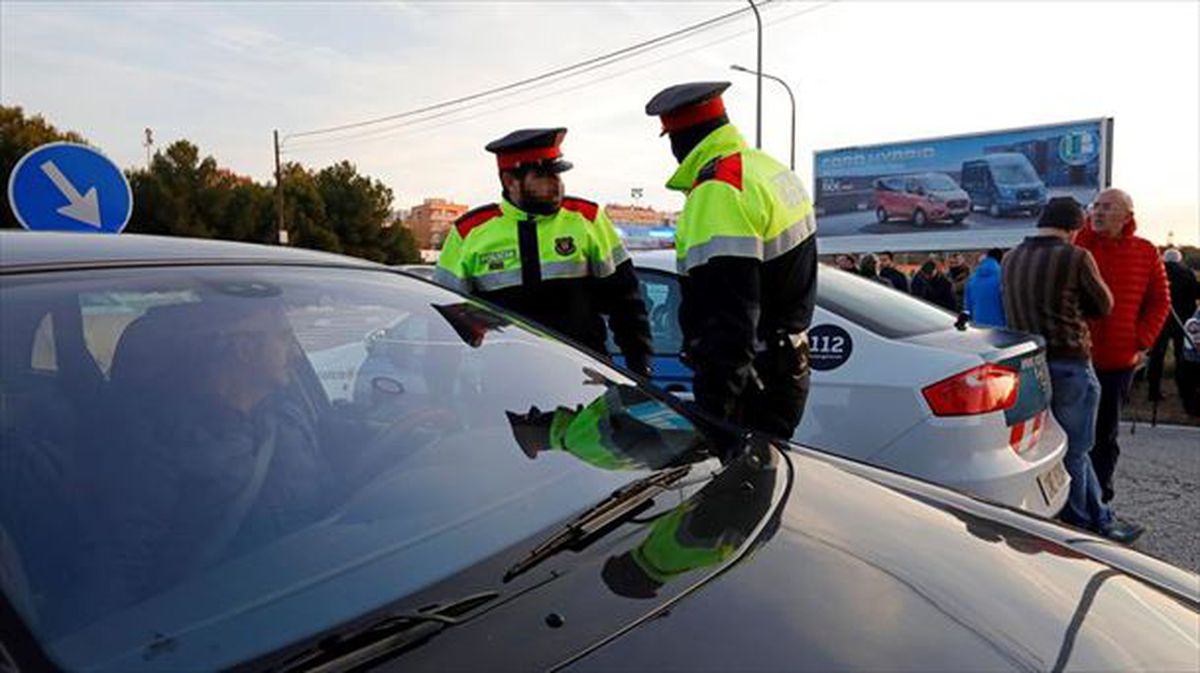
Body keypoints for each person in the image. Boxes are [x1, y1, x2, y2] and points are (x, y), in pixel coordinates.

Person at [643, 81, 817, 440]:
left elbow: (729, 318)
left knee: (737, 490)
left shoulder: (719, 189)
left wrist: (714, 416)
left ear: (678, 139)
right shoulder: (768, 171)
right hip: (786, 368)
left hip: (750, 384)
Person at [435, 128, 653, 376]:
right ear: (509, 181)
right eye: (543, 176)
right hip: (505, 379)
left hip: (584, 377)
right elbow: (447, 319)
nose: (556, 185)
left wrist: (639, 363)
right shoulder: (469, 233)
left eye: (557, 175)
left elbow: (624, 300)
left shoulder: (587, 219)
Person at [1001, 197, 1141, 543]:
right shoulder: (1076, 256)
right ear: (1074, 228)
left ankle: (1099, 517)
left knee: (1045, 448)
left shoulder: (1011, 257)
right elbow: (1103, 305)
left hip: (1030, 365)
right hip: (1070, 364)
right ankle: (1080, 524)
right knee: (1076, 451)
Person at [1075, 188, 1170, 503]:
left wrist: (1141, 341)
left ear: (1127, 216)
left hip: (1118, 361)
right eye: (1096, 206)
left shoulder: (1145, 251)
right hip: (1075, 357)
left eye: (1108, 207)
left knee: (1105, 434)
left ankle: (1100, 499)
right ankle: (1069, 498)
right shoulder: (1077, 245)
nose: (1098, 213)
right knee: (1070, 433)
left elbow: (1160, 302)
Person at [1147, 248, 1199, 406]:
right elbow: (1196, 294)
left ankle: (1153, 392)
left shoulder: (1156, 273)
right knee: (1181, 357)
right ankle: (1183, 392)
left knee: (1156, 357)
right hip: (1181, 322)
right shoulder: (1187, 274)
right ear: (1179, 260)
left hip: (1160, 322)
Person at [963, 248, 1006, 327]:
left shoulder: (972, 279)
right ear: (1001, 260)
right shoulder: (1003, 278)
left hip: (978, 327)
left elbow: (967, 308)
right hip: (1001, 328)